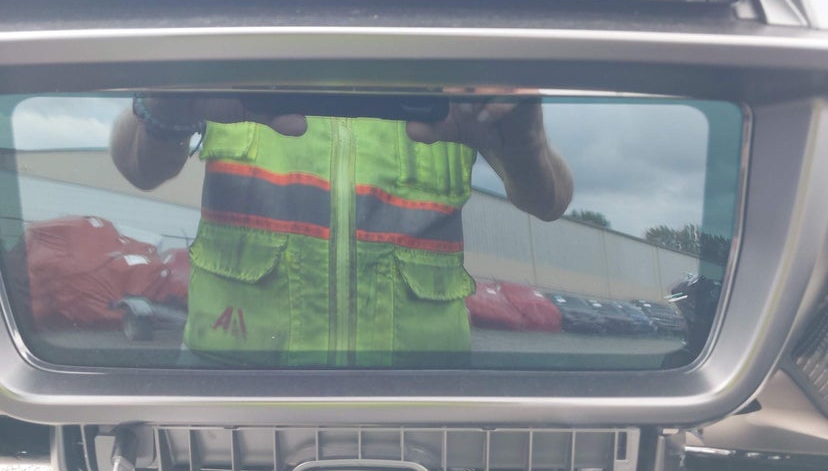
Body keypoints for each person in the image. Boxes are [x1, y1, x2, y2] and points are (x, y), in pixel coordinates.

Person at [110, 93, 573, 367]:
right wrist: (165, 104)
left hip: (424, 397)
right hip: (228, 389)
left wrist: (527, 145)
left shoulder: (450, 55)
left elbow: (550, 199)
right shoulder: (239, 32)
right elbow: (137, 166)